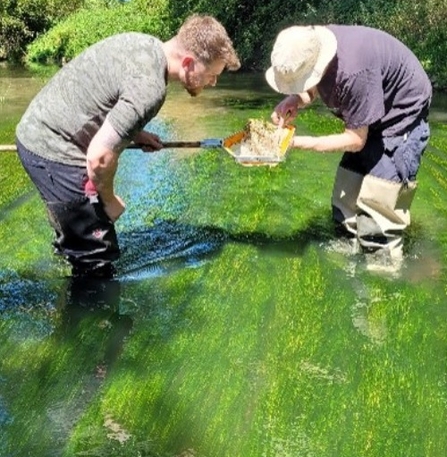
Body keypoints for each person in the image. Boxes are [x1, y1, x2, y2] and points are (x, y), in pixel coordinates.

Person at [16, 14, 241, 278]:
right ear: (189, 63)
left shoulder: (144, 44)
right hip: (53, 149)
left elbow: (105, 94)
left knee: (80, 239)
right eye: (212, 74)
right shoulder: (151, 89)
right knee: (97, 261)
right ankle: (85, 312)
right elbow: (99, 158)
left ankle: (70, 243)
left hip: (38, 126)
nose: (213, 83)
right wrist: (109, 200)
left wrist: (134, 132)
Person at [265, 24, 432, 258]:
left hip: (400, 116)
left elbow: (355, 140)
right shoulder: (312, 45)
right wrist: (294, 99)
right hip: (366, 113)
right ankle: (348, 247)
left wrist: (294, 142)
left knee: (378, 217)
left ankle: (383, 273)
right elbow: (314, 84)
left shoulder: (354, 72)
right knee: (345, 197)